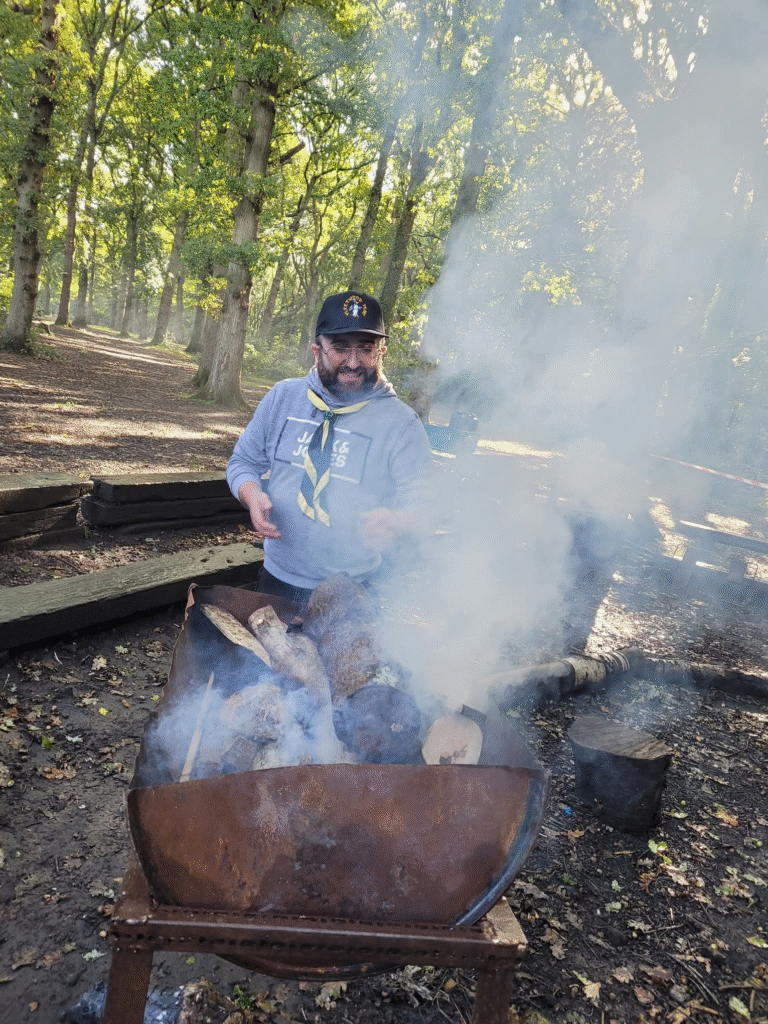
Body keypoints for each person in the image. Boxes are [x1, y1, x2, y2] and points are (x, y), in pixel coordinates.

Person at [226, 290, 435, 605]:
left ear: (381, 352)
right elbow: (242, 462)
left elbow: (428, 503)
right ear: (316, 351)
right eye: (340, 348)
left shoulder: (401, 423)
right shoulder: (282, 398)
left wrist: (399, 521)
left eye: (366, 349)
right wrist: (251, 494)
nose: (353, 362)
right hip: (277, 578)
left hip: (355, 589)